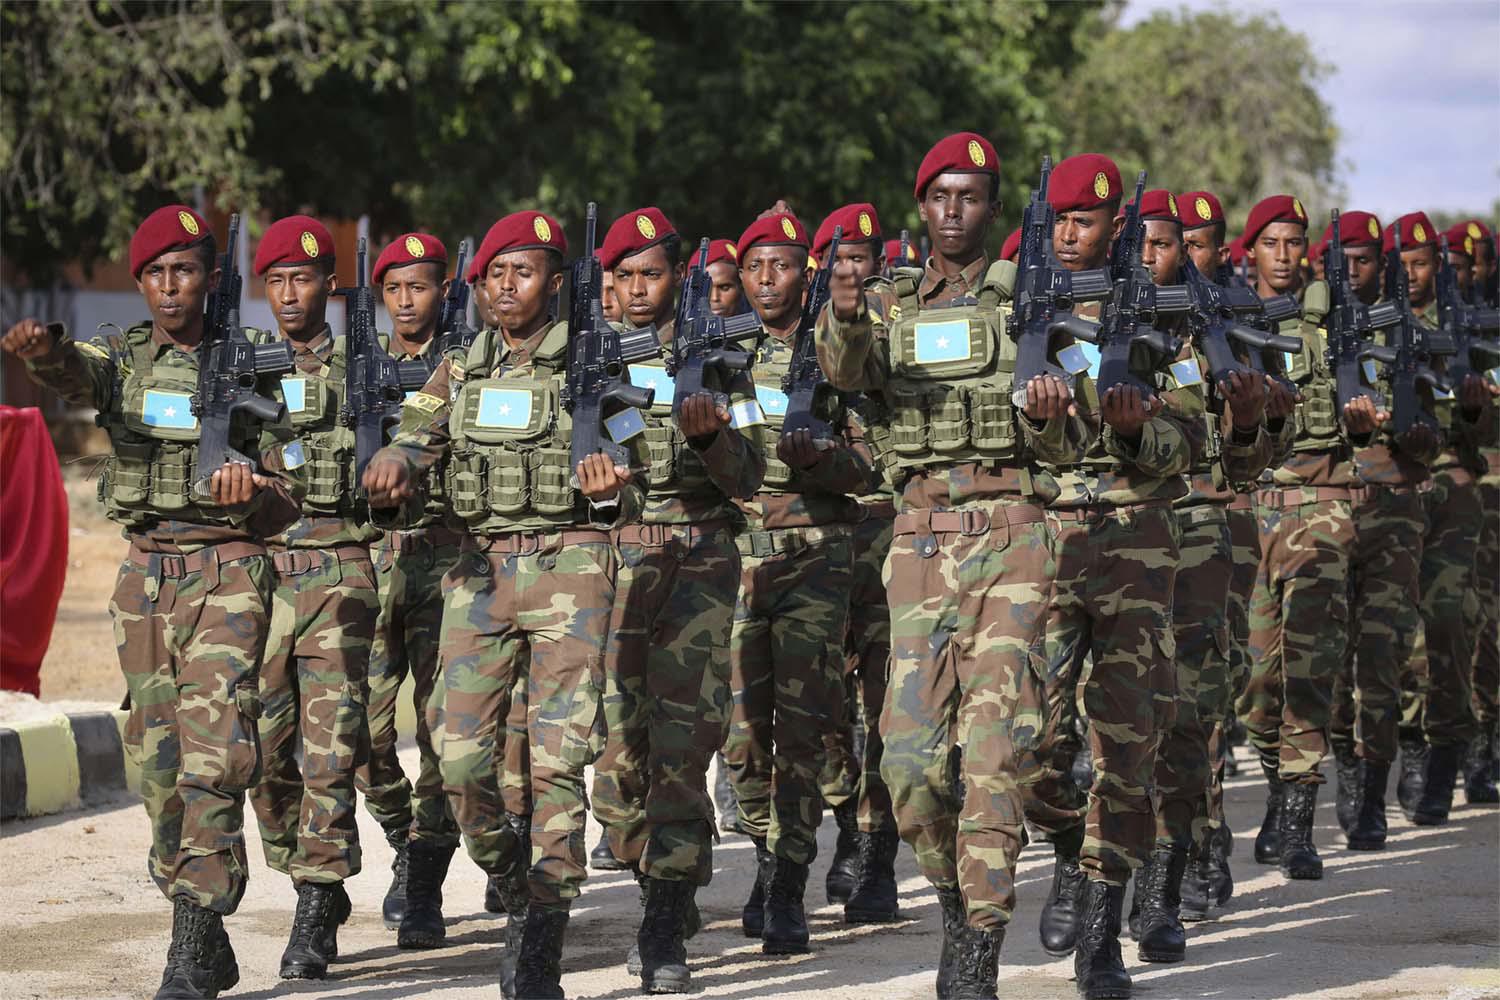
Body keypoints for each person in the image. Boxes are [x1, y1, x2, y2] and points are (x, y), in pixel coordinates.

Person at [3, 204, 305, 999]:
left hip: (228, 571)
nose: (171, 288)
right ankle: (201, 925)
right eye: (156, 274)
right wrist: (48, 353)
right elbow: (77, 376)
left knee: (215, 756)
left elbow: (296, 495)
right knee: (157, 766)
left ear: (210, 278)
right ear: (139, 283)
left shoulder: (259, 366)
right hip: (144, 581)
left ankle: (192, 938)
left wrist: (254, 492)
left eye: (186, 271)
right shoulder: (122, 358)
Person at [820, 131, 1089, 998]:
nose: (953, 211)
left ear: (992, 208)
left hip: (1015, 531)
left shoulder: (1035, 302)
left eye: (970, 197)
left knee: (995, 751)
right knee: (907, 762)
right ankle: (957, 890)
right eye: (939, 196)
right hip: (919, 540)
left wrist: (1050, 415)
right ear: (920, 207)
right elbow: (843, 371)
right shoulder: (889, 303)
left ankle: (976, 943)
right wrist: (849, 310)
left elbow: (1078, 435)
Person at [361, 209, 645, 999]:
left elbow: (640, 462)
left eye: (523, 272)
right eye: (494, 274)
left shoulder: (596, 362)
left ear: (555, 283)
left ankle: (538, 937)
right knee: (456, 756)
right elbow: (415, 436)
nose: (506, 286)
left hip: (569, 573)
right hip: (476, 576)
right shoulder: (459, 366)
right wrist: (393, 460)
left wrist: (614, 480)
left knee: (557, 761)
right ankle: (509, 872)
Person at [1013, 155, 1205, 1000]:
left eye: (1084, 220)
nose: (1067, 232)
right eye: (1057, 218)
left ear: (1115, 223)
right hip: (1045, 546)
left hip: (1139, 544)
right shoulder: (1020, 309)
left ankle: (1102, 929)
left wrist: (1135, 436)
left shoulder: (1170, 317)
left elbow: (1197, 440)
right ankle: (1064, 849)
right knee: (1032, 747)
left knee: (1128, 747)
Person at [587, 206, 766, 993]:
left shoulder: (720, 357)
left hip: (698, 559)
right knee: (614, 761)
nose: (635, 290)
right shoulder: (585, 358)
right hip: (609, 567)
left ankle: (664, 922)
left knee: (683, 746)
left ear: (676, 278)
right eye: (621, 276)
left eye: (649, 274)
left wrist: (711, 439)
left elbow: (753, 475)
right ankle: (657, 872)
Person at [1126, 189, 1284, 964]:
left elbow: (1250, 463)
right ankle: (1081, 871)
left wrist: (1251, 418)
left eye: (1174, 244)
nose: (1162, 258)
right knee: (1085, 730)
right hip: (1098, 547)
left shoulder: (1215, 331)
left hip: (1199, 538)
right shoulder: (1079, 329)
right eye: (1151, 243)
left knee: (1190, 715)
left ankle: (1166, 879)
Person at [723, 208, 875, 957]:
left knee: (806, 723)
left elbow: (873, 463)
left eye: (780, 265)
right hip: (738, 555)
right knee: (743, 735)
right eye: (753, 267)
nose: (764, 280)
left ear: (804, 271)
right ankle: (762, 846)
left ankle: (788, 879)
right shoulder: (719, 353)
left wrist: (824, 462)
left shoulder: (837, 352)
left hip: (819, 552)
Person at [244, 215, 382, 980]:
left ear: (328, 285)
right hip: (260, 576)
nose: (290, 294)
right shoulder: (244, 369)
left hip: (340, 567)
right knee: (264, 749)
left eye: (303, 279)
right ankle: (305, 862)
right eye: (277, 281)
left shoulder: (367, 365)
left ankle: (315, 898)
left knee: (330, 746)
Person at [1235, 196, 1374, 862]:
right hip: (1249, 508)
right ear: (1250, 250)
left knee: (1311, 666)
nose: (1284, 255)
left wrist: (1370, 415)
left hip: (1321, 505)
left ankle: (1297, 813)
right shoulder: (1224, 323)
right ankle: (1273, 776)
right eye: (1272, 243)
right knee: (1258, 681)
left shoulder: (1337, 327)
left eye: (1295, 243)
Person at [355, 232, 467, 948]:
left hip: (446, 561)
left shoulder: (469, 367)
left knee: (439, 731)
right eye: (393, 287)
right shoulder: (355, 367)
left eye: (419, 286)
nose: (405, 300)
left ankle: (425, 874)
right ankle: (403, 833)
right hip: (370, 563)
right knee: (358, 728)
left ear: (442, 292)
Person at [1322, 210, 1439, 852]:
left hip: (1393, 510)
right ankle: (1345, 767)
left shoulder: (1408, 334)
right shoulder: (1308, 335)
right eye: (1342, 260)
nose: (1352, 271)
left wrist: (1402, 425)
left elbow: (1435, 428)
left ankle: (1370, 793)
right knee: (1331, 663)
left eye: (1364, 259)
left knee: (1383, 657)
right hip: (1332, 512)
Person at [808, 203, 902, 923]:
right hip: (831, 538)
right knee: (832, 709)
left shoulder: (902, 320)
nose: (852, 270)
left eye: (861, 258)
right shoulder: (815, 332)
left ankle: (878, 855)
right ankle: (846, 818)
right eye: (839, 260)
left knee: (888, 706)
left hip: (897, 537)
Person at [1387, 212, 1494, 826]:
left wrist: (1478, 410)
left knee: (1450, 622)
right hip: (1396, 488)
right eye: (1403, 264)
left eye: (1423, 263)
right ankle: (1410, 748)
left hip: (1453, 486)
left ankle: (1449, 751)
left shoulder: (1467, 328)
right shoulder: (1372, 325)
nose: (1414, 274)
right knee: (1398, 632)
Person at [1176, 188, 1258, 913]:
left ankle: (1200, 840)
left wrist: (1253, 415)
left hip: (1209, 527)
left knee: (1200, 698)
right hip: (1117, 535)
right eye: (1179, 242)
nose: (1184, 256)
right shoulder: (1113, 317)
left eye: (1200, 244)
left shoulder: (1234, 325)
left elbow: (1258, 453)